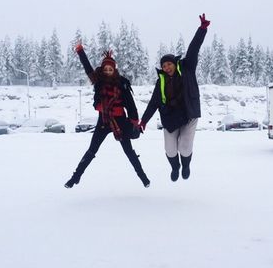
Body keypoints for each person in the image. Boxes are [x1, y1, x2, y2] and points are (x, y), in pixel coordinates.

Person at [65, 45, 150, 188]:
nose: (108, 71)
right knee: (92, 150)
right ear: (103, 70)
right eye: (105, 69)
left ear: (114, 70)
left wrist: (134, 122)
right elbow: (88, 68)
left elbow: (130, 104)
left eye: (110, 69)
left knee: (129, 151)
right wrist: (80, 51)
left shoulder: (122, 83)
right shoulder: (98, 81)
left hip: (120, 122)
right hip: (104, 121)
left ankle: (143, 177)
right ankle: (75, 177)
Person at [139, 13, 210, 182]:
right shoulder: (161, 82)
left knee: (185, 148)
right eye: (164, 65)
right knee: (170, 150)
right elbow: (153, 103)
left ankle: (185, 165)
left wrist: (202, 30)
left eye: (169, 64)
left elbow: (194, 49)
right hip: (170, 118)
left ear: (174, 63)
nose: (167, 67)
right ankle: (175, 167)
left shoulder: (187, 68)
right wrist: (144, 121)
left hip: (188, 114)